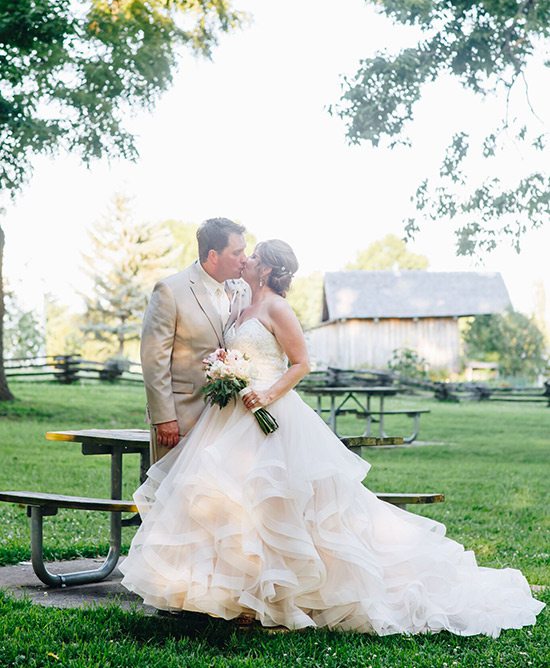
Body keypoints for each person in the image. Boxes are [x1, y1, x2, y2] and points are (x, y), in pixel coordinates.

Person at [121, 239, 544, 636]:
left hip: (271, 413)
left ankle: (284, 598)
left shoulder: (277, 308)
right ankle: (239, 599)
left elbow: (301, 362)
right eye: (241, 253)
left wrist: (266, 394)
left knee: (281, 506)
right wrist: (229, 374)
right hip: (231, 415)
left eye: (252, 257)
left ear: (266, 268)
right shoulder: (240, 306)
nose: (245, 260)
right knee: (234, 503)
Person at [140, 217, 250, 463]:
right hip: (182, 417)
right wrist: (164, 417)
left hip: (230, 421)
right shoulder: (170, 291)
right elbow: (153, 359)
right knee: (173, 496)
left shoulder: (243, 290)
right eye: (237, 252)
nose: (245, 258)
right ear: (213, 255)